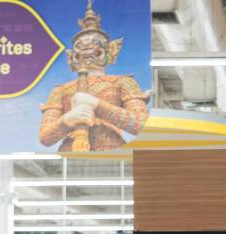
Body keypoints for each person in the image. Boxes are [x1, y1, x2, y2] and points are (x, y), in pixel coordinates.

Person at [38, 1, 150, 154]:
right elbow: (45, 138)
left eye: (95, 48)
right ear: (71, 57)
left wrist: (97, 105)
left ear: (111, 51)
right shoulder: (61, 90)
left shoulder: (124, 82)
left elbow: (142, 125)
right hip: (71, 153)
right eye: (79, 48)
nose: (86, 49)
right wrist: (68, 119)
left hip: (112, 152)